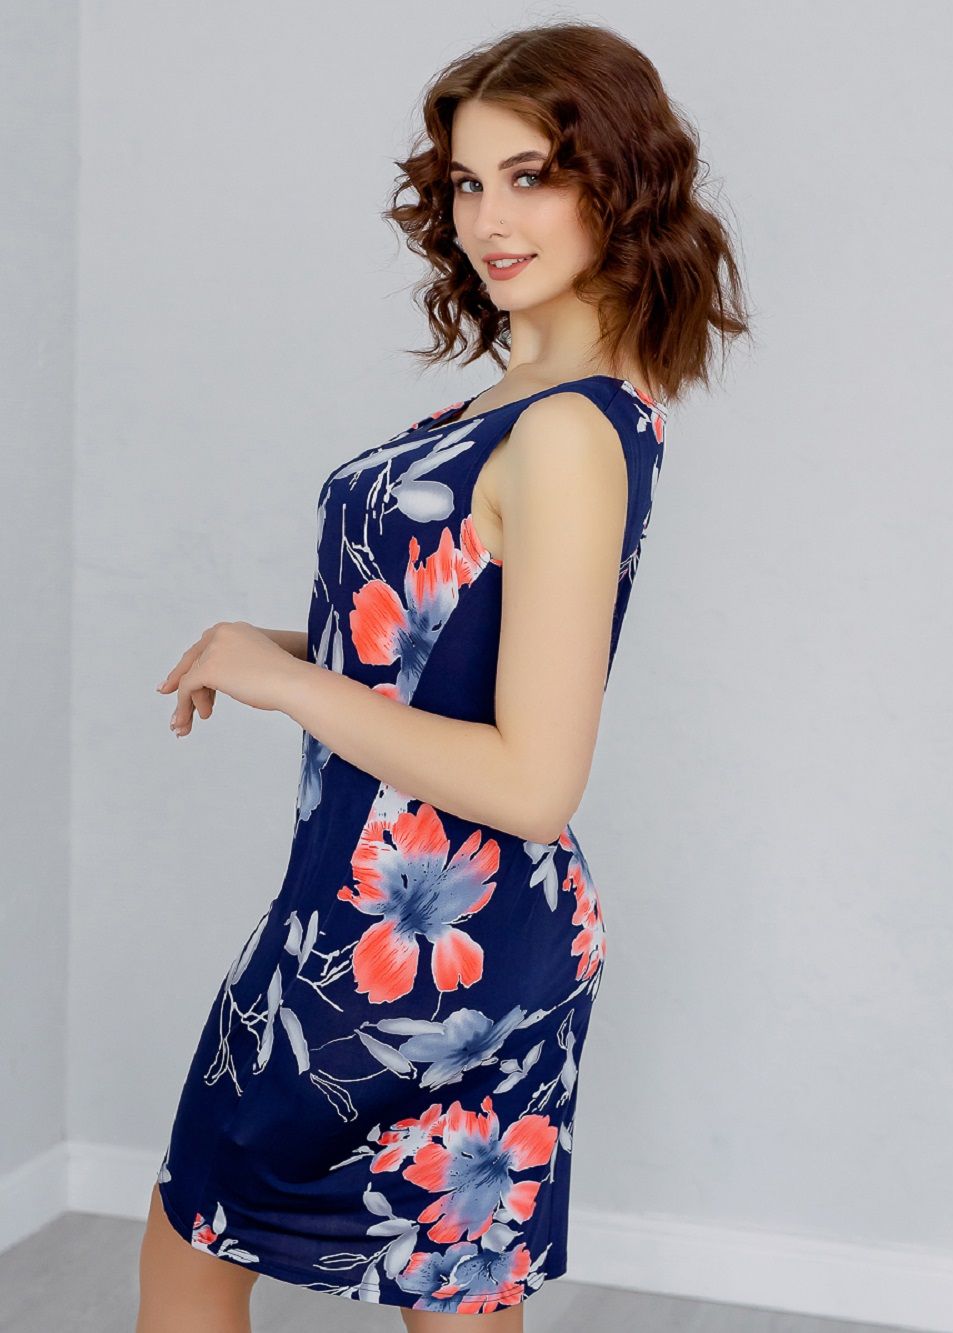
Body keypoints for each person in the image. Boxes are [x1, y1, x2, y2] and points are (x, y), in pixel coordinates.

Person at [136, 20, 750, 1333]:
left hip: (435, 946)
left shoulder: (573, 430)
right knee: (291, 1261)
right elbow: (443, 658)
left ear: (617, 185)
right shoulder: (517, 404)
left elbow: (533, 782)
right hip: (358, 918)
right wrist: (286, 652)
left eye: (531, 176)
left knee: (200, 1253)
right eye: (469, 183)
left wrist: (293, 688)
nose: (488, 219)